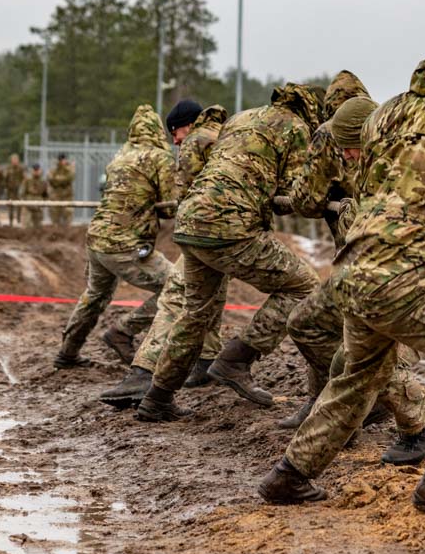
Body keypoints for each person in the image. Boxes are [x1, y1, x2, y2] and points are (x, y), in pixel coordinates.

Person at [257, 42, 425, 505]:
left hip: (355, 271)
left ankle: (288, 475)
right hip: (407, 276)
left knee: (357, 378)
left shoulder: (386, 112)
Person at [134, 84, 321, 421]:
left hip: (191, 223)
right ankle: (237, 359)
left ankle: (157, 397)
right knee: (303, 285)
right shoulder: (297, 129)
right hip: (230, 227)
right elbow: (299, 193)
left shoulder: (240, 119)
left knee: (195, 314)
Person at [284, 93, 425, 467]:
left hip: (409, 280)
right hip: (362, 274)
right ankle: (355, 401)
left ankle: (419, 425)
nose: (347, 158)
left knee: (357, 360)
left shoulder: (403, 165)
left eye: (351, 149)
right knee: (305, 323)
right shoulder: (364, 164)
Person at [100, 101, 231, 406]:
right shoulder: (226, 137)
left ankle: (144, 373)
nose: (175, 140)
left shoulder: (198, 142)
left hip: (209, 231)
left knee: (175, 295)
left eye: (176, 132)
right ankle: (206, 363)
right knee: (209, 294)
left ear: (190, 124)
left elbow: (180, 194)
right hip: (228, 231)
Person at [54, 104, 177, 369]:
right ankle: (123, 332)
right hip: (125, 244)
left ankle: (68, 352)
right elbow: (169, 207)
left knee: (95, 296)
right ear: (158, 131)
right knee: (178, 286)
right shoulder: (159, 157)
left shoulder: (119, 156)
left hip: (97, 238)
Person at [48, 153, 75, 227]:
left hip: (67, 196)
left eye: (63, 159)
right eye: (61, 159)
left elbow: (71, 177)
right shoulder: (54, 169)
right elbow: (50, 179)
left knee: (68, 215)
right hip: (56, 196)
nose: (62, 161)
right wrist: (62, 180)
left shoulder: (69, 168)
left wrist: (58, 179)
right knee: (55, 215)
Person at [22, 164, 47, 229]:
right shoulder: (27, 180)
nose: (36, 172)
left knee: (38, 226)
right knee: (26, 225)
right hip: (28, 205)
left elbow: (46, 194)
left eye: (37, 170)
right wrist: (25, 202)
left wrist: (43, 204)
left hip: (38, 206)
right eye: (34, 170)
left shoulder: (43, 181)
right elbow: (23, 193)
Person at [4, 153, 25, 226]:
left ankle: (18, 221)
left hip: (18, 191)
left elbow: (24, 179)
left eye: (16, 159)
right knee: (10, 206)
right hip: (10, 191)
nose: (15, 161)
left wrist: (22, 187)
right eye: (14, 159)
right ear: (11, 160)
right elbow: (5, 179)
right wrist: (6, 187)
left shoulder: (21, 169)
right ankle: (10, 222)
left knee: (19, 206)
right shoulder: (8, 169)